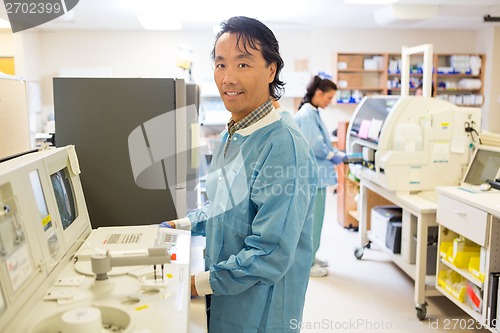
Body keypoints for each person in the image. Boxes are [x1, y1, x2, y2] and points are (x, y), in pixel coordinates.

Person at [163, 16, 318, 332]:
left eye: (243, 65)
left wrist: (196, 283)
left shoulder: (283, 145)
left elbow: (270, 254)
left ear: (271, 70)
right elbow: (223, 211)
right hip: (227, 296)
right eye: (221, 65)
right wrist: (178, 226)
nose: (228, 78)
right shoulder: (231, 135)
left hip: (261, 309)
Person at [294, 75, 345, 278]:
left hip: (316, 178)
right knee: (312, 222)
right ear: (318, 93)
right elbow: (315, 145)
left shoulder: (312, 112)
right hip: (311, 178)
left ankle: (311, 257)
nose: (329, 102)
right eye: (329, 97)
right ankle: (306, 264)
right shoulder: (307, 113)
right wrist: (333, 154)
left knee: (315, 220)